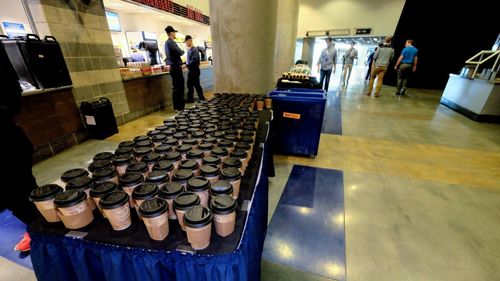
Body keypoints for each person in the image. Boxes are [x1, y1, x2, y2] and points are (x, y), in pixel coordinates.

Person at [0, 47, 39, 252]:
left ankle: (40, 230)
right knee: (16, 192)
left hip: (5, 139)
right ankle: (37, 227)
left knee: (19, 189)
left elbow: (12, 92)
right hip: (8, 136)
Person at [164, 26, 185, 111]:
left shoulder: (167, 43)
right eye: (174, 32)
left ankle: (178, 107)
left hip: (173, 68)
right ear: (171, 33)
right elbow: (179, 52)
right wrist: (182, 51)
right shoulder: (171, 42)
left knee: (176, 87)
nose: (175, 34)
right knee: (179, 87)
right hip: (176, 68)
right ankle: (179, 107)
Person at [184, 35, 205, 103]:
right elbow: (189, 60)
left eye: (186, 42)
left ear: (189, 40)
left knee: (196, 85)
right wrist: (184, 63)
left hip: (194, 71)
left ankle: (202, 99)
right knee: (190, 86)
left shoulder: (194, 50)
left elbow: (194, 60)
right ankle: (190, 99)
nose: (186, 43)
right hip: (191, 71)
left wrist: (187, 65)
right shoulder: (189, 50)